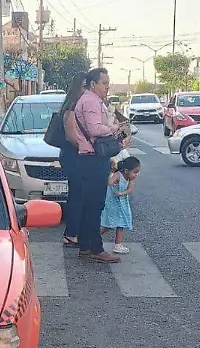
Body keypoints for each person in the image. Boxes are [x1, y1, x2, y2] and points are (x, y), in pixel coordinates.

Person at [72, 67, 129, 264]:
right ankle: (95, 248)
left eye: (108, 83)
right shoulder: (89, 101)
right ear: (93, 84)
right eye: (104, 83)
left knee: (90, 204)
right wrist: (114, 128)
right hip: (92, 159)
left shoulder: (93, 101)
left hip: (91, 158)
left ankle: (86, 245)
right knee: (95, 205)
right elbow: (95, 129)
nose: (107, 86)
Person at [58, 72, 88, 248]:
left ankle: (75, 232)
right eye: (85, 86)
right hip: (72, 155)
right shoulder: (72, 107)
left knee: (79, 194)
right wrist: (90, 148)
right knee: (77, 195)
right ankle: (71, 234)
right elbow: (71, 137)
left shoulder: (80, 105)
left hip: (76, 155)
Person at [101, 156, 140, 254]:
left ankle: (118, 244)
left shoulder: (130, 179)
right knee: (109, 224)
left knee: (121, 223)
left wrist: (122, 193)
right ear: (126, 170)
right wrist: (111, 173)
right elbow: (109, 183)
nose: (136, 174)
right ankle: (94, 236)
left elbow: (130, 189)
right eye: (135, 172)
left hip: (122, 203)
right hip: (112, 203)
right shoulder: (118, 175)